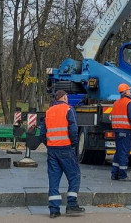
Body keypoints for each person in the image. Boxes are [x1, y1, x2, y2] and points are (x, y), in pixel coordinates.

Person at [40, 90, 84, 218]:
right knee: (74, 175)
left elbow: (43, 133)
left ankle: (54, 210)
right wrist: (74, 143)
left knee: (54, 179)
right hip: (65, 148)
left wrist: (48, 144)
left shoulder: (49, 111)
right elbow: (73, 128)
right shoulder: (68, 109)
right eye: (67, 97)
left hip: (52, 150)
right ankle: (71, 204)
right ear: (64, 98)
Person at [111, 83, 131, 182]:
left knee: (118, 152)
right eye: (129, 90)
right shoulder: (129, 103)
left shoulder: (116, 103)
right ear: (125, 92)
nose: (130, 91)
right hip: (126, 131)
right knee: (124, 153)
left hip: (117, 130)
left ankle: (114, 173)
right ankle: (122, 175)